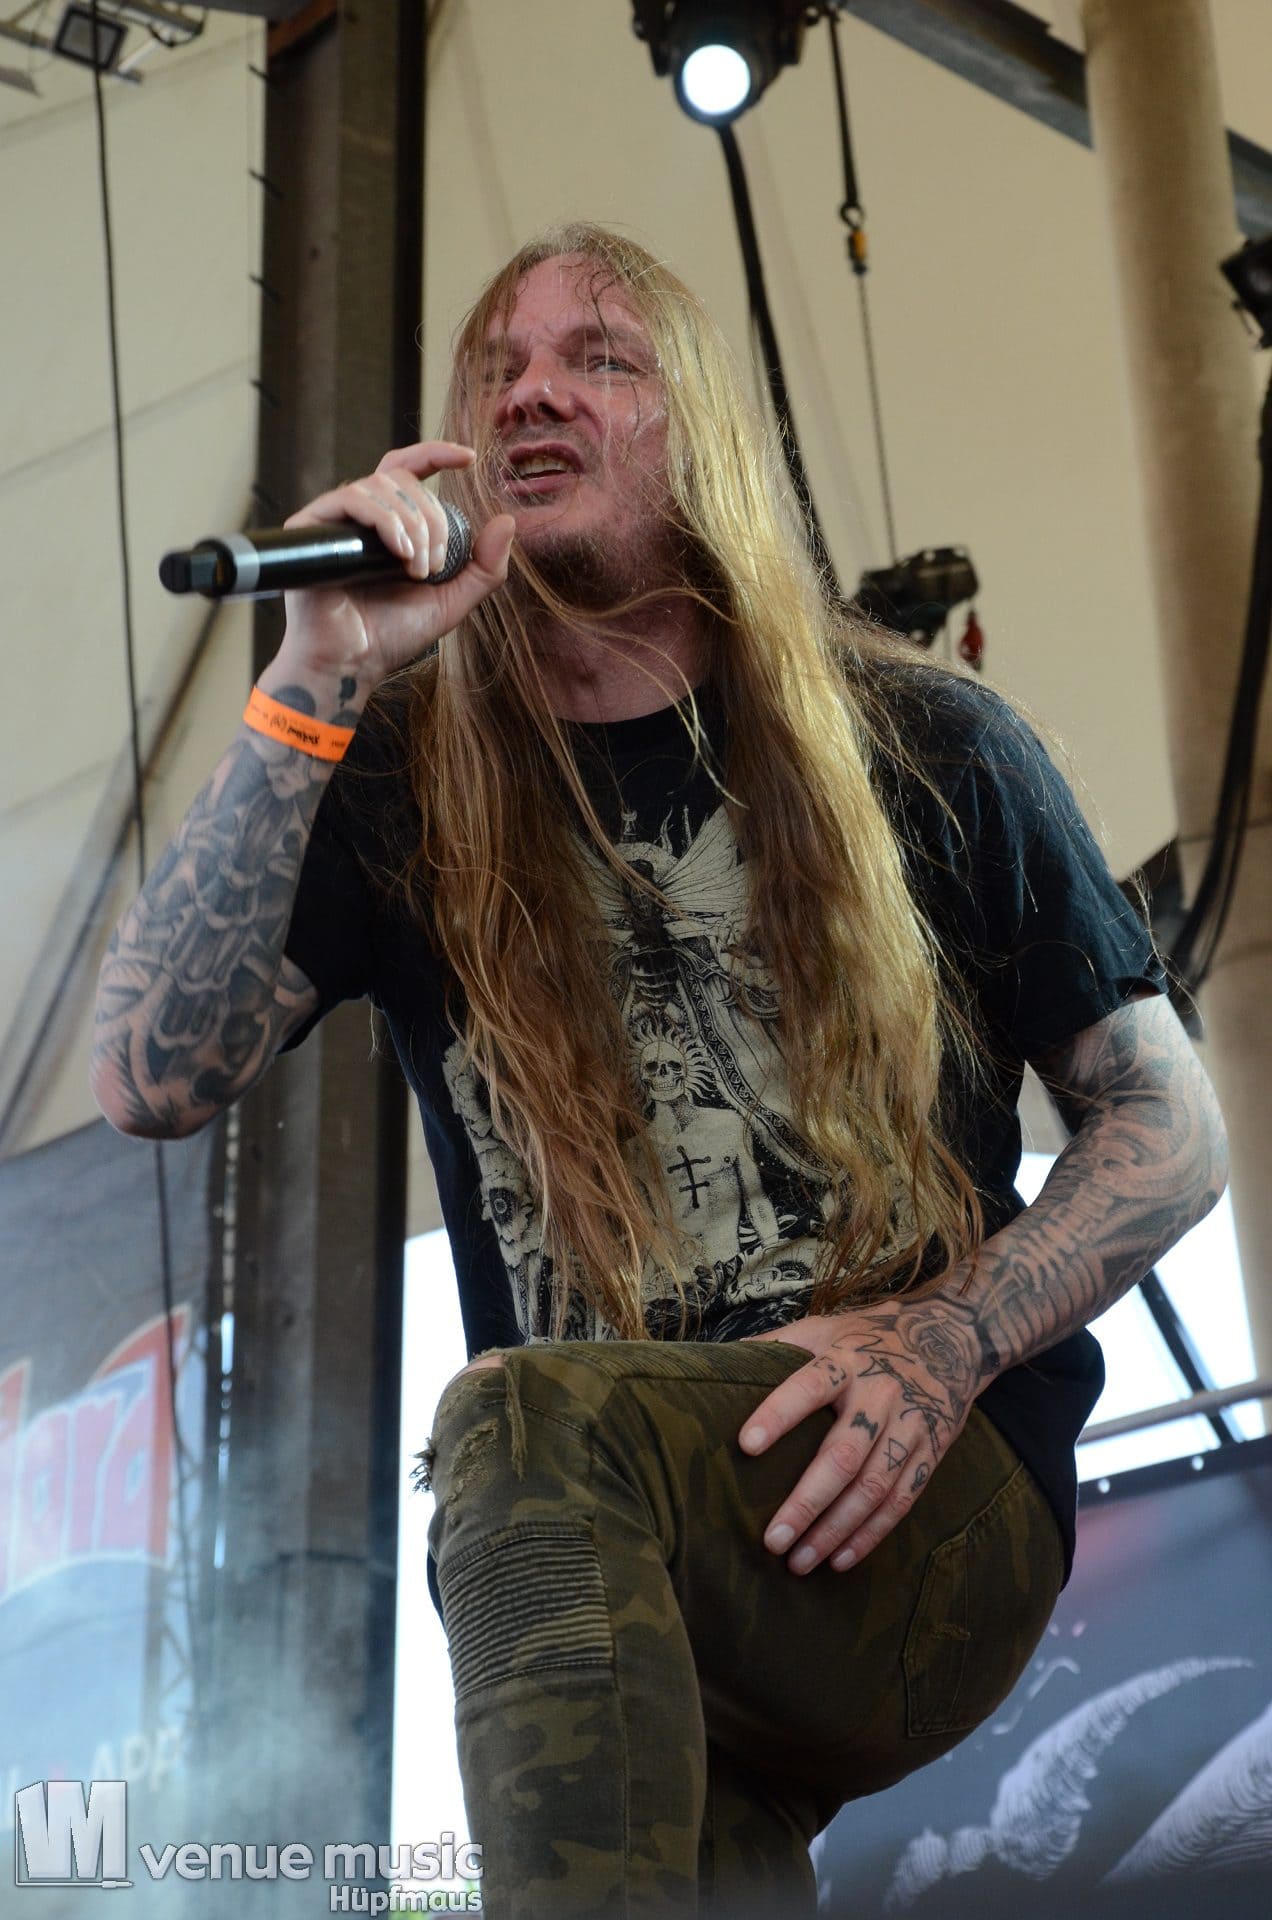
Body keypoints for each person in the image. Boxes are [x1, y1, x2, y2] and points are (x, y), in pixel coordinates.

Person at [92, 223, 1229, 1919]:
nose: (531, 393)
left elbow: (1171, 1124)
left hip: (925, 1491)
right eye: (498, 370)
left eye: (597, 359)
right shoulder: (402, 778)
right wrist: (313, 671)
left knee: (522, 1424)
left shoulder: (923, 740)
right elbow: (148, 1074)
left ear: (697, 434)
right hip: (621, 1552)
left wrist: (945, 1342)